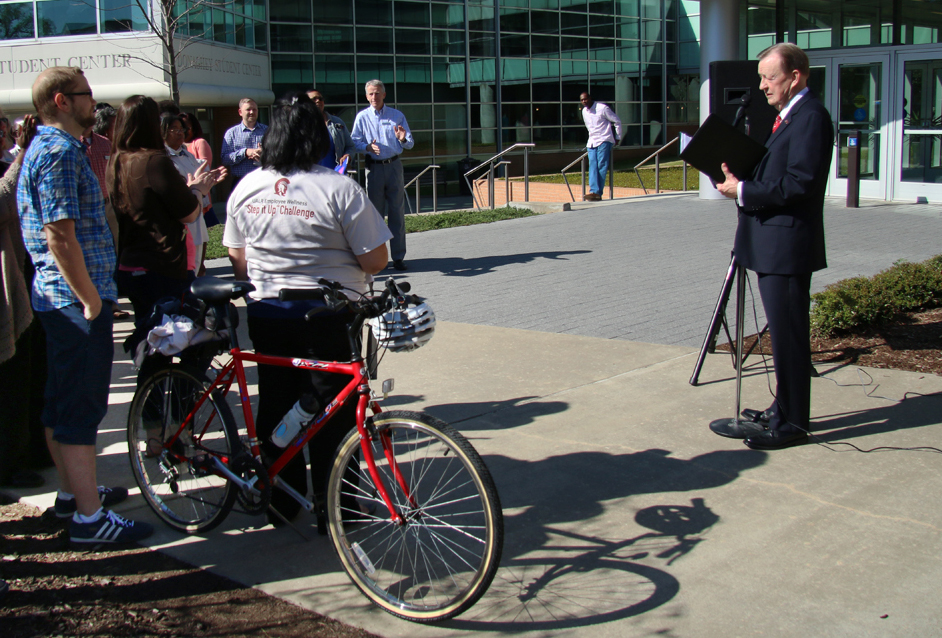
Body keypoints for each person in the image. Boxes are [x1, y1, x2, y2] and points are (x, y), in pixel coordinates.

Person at [224, 91, 391, 526]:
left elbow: (237, 256)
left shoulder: (247, 186)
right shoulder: (338, 188)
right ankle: (340, 506)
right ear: (318, 137)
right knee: (332, 413)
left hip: (267, 313)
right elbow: (376, 260)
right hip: (330, 316)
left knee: (278, 402)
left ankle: (283, 499)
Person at [17, 66, 151, 543]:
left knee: (61, 403)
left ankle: (75, 495)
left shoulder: (56, 149)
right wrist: (92, 301)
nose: (94, 103)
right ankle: (89, 522)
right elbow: (60, 235)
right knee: (79, 408)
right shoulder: (57, 152)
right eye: (86, 95)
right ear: (60, 101)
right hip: (73, 304)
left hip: (65, 301)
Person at [715, 43, 833, 451]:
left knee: (788, 338)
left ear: (795, 76)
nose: (763, 86)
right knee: (782, 335)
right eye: (762, 77)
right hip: (771, 242)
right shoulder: (790, 115)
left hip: (787, 246)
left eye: (770, 77)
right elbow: (778, 171)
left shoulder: (811, 117)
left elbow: (799, 183)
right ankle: (781, 409)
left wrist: (743, 190)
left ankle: (793, 423)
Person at [107, 96, 217, 357]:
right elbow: (189, 213)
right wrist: (198, 189)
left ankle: (154, 394)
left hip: (131, 264)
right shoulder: (155, 161)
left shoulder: (116, 161)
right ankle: (185, 394)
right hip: (162, 265)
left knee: (151, 341)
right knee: (197, 338)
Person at [351, 79, 413, 271]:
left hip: (394, 167)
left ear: (384, 95)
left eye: (377, 93)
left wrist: (402, 139)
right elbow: (354, 142)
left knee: (397, 214)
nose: (374, 97)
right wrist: (367, 147)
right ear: (366, 96)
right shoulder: (362, 117)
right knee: (375, 217)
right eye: (370, 93)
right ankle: (379, 259)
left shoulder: (397, 116)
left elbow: (410, 143)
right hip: (374, 169)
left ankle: (398, 257)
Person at [162, 114, 225, 276]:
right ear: (163, 132)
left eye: (181, 129)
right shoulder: (162, 158)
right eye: (174, 129)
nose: (179, 133)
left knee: (198, 263)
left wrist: (210, 180)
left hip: (197, 212)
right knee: (185, 267)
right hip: (180, 217)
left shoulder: (187, 154)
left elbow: (200, 178)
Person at [580, 92, 623, 202]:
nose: (584, 101)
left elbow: (617, 121)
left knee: (601, 166)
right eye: (582, 100)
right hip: (592, 142)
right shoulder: (584, 111)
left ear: (590, 98)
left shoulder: (602, 108)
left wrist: (617, 137)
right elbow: (589, 127)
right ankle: (593, 191)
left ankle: (597, 192)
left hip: (604, 140)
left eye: (585, 99)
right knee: (592, 165)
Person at [182, 112, 220, 227]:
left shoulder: (199, 143)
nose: (183, 131)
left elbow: (204, 169)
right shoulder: (176, 149)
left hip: (201, 197)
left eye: (186, 127)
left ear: (194, 128)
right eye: (180, 127)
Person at [221, 98, 267, 189]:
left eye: (254, 109)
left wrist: (264, 153)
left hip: (263, 180)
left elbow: (276, 154)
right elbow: (225, 159)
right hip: (240, 182)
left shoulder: (267, 130)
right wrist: (245, 152)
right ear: (240, 112)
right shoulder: (232, 133)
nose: (251, 112)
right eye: (248, 109)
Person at [307, 89, 355, 173]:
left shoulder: (337, 122)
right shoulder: (301, 125)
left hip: (335, 174)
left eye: (320, 98)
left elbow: (350, 146)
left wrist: (348, 156)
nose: (318, 101)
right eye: (314, 99)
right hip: (312, 175)